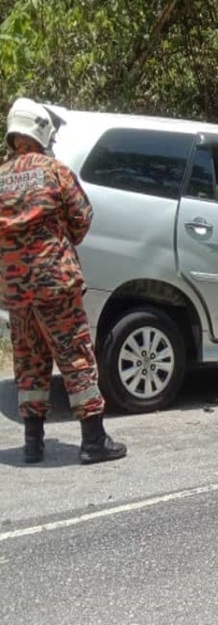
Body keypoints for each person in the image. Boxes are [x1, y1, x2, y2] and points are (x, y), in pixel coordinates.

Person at [0, 97, 126, 465]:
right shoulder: (55, 172)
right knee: (75, 357)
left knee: (29, 360)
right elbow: (82, 218)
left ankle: (32, 444)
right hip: (56, 283)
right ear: (41, 132)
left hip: (15, 291)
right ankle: (93, 441)